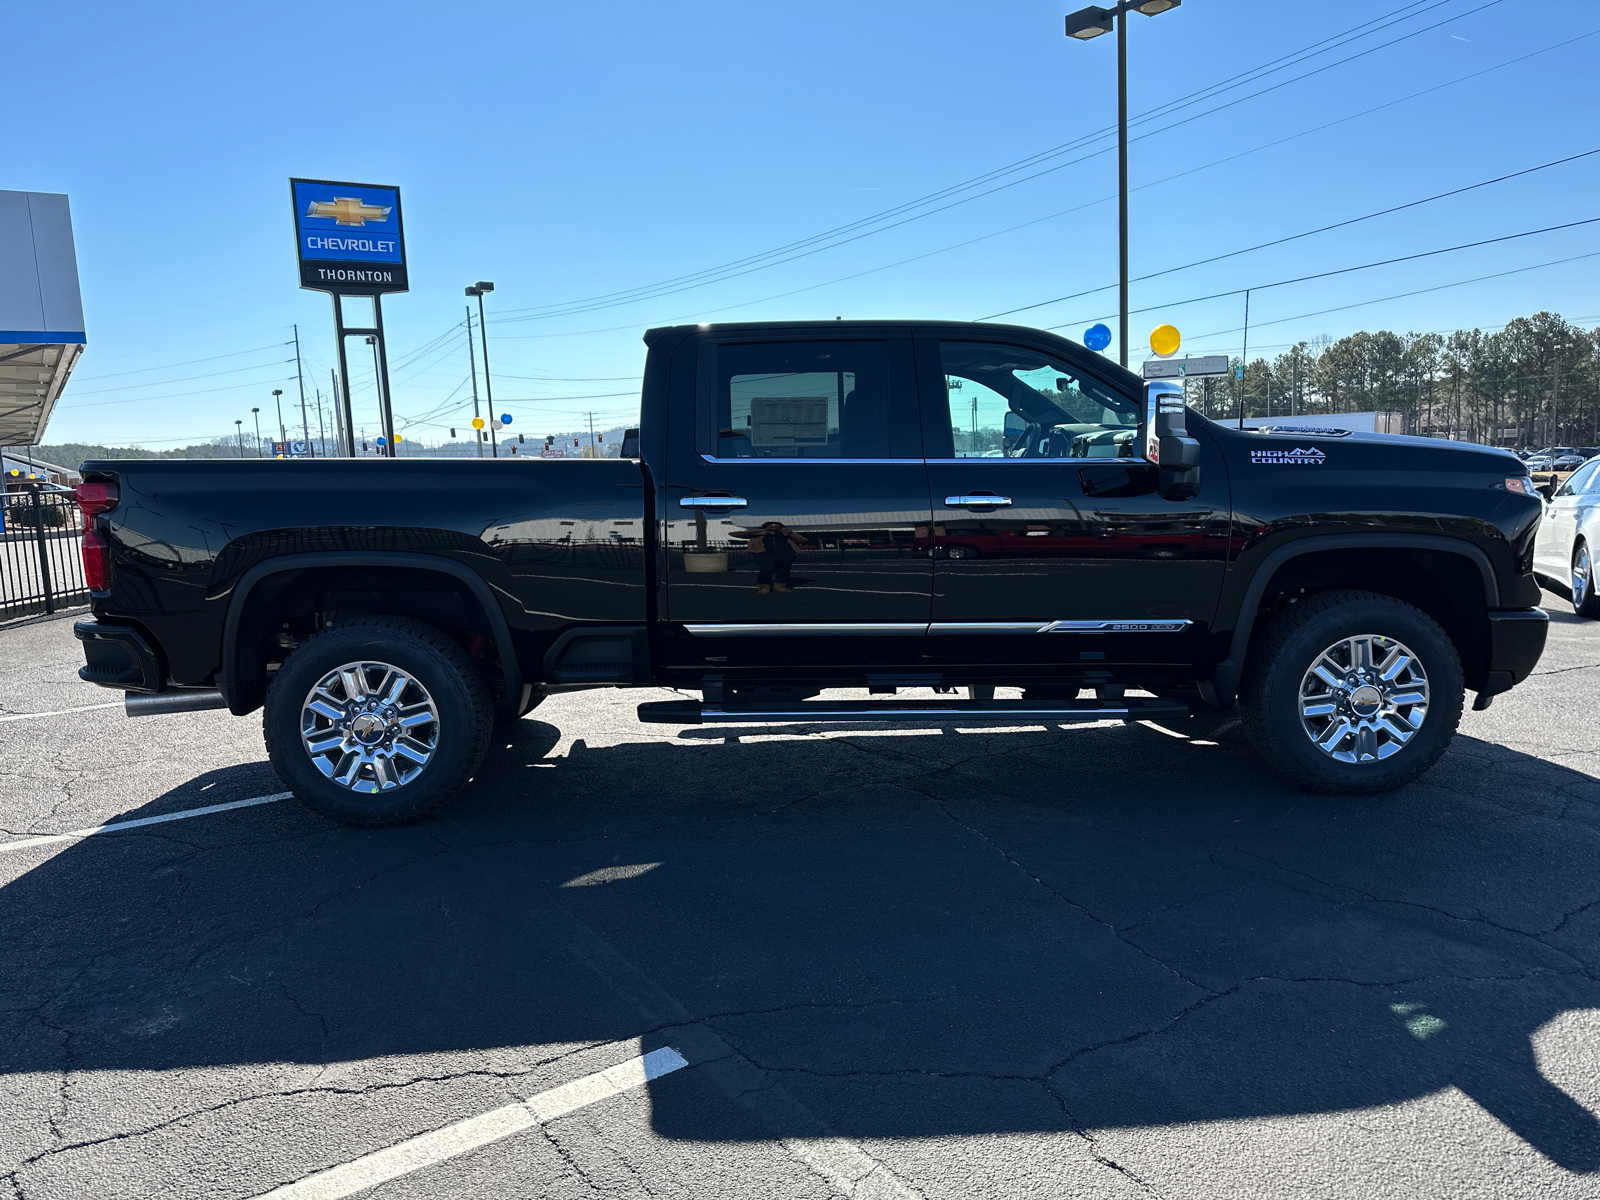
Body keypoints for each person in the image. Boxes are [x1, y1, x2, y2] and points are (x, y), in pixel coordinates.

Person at [729, 521, 806, 593]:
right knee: (767, 569)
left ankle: (780, 585)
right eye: (771, 527)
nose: (774, 528)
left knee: (783, 569)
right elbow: (734, 534)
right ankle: (763, 586)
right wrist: (759, 531)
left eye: (777, 527)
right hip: (763, 552)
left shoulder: (786, 534)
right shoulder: (759, 534)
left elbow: (802, 540)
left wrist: (789, 532)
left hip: (785, 552)